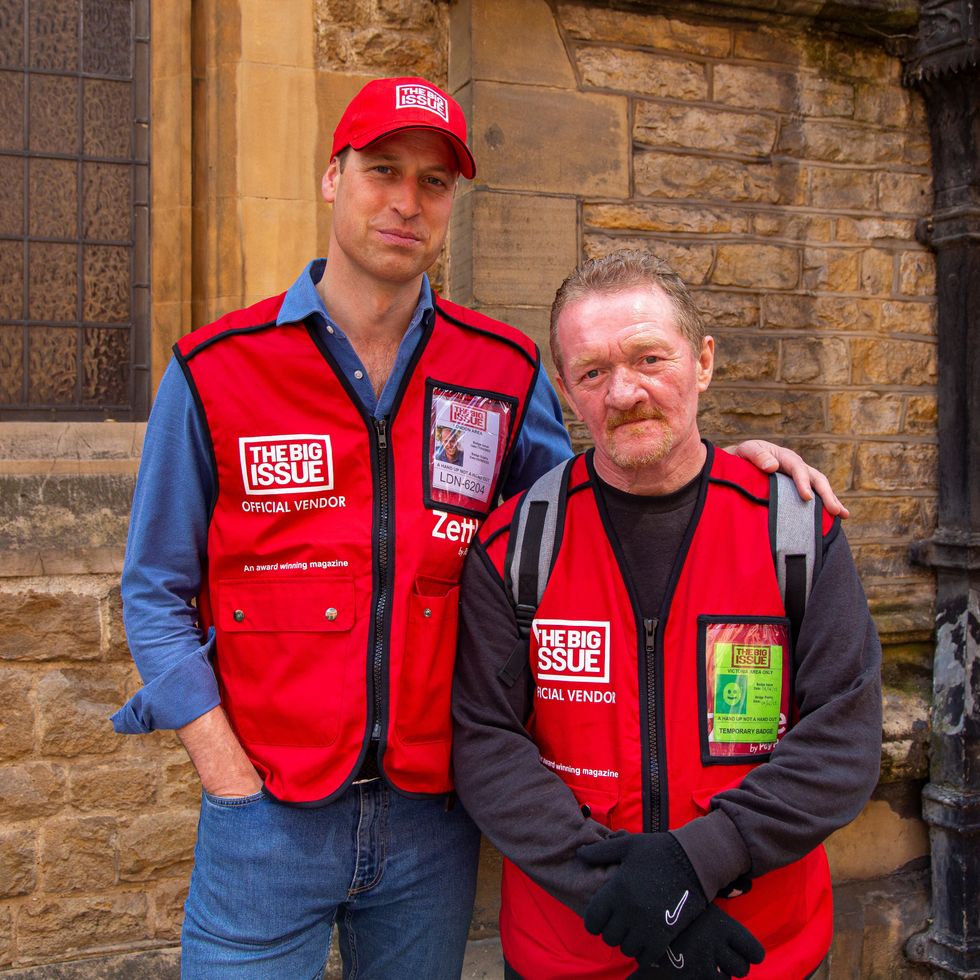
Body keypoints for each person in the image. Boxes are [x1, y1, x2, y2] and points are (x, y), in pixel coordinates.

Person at [112, 76, 845, 979]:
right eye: (383, 170)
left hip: (435, 819)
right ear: (331, 176)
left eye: (433, 182)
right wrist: (224, 770)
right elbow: (152, 589)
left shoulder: (498, 370)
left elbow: (599, 502)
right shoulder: (218, 369)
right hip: (268, 811)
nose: (405, 201)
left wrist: (738, 466)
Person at [452, 250, 882, 980]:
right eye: (591, 372)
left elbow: (844, 739)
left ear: (703, 361)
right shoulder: (516, 544)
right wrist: (633, 896)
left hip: (759, 951)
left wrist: (702, 859)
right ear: (566, 390)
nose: (624, 392)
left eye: (650, 357)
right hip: (576, 950)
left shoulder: (794, 529)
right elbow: (486, 744)